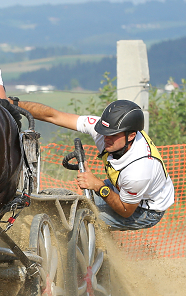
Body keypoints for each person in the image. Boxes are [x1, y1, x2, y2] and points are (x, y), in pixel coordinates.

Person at [14, 99, 175, 230]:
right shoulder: (104, 130)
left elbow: (126, 210)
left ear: (131, 135)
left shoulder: (139, 171)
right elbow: (53, 116)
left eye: (112, 135)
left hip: (144, 209)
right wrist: (13, 104)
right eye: (104, 132)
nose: (106, 138)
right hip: (121, 187)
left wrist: (97, 185)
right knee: (68, 209)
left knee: (81, 221)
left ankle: (99, 261)